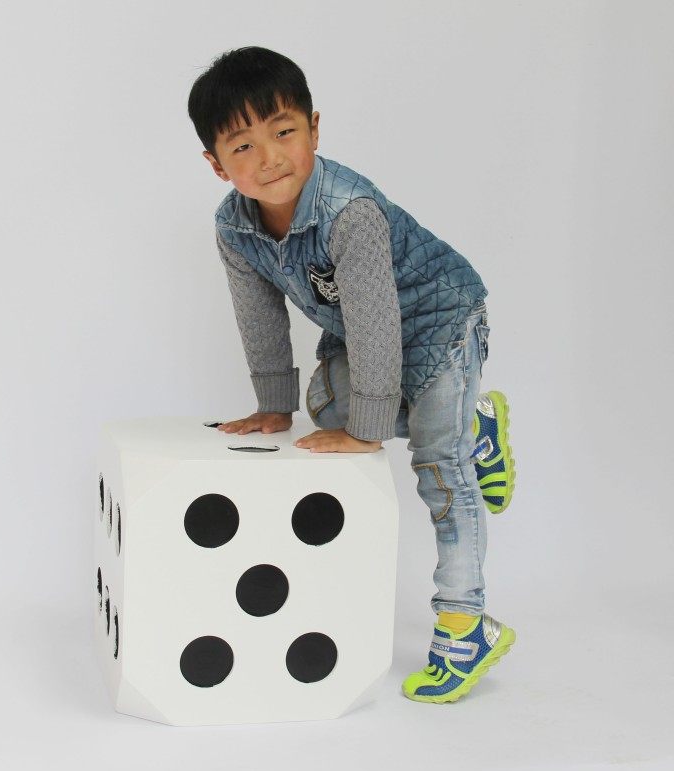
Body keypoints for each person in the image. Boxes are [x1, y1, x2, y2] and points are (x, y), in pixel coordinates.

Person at [187, 46, 516, 703]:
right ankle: (473, 424)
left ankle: (465, 623)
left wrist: (371, 431)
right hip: (366, 329)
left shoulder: (348, 211)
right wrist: (274, 405)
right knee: (328, 405)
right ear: (216, 164)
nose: (270, 157)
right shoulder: (234, 228)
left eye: (284, 132)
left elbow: (375, 324)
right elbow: (260, 316)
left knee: (438, 466)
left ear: (314, 128)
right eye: (243, 146)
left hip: (441, 319)